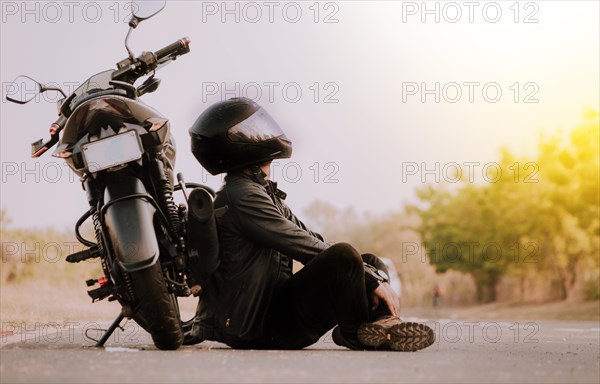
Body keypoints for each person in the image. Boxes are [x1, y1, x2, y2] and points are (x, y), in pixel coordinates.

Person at [184, 97, 435, 351]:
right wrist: (373, 280)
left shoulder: (259, 191)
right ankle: (356, 332)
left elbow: (309, 236)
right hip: (256, 328)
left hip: (271, 312)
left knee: (367, 261)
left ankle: (384, 324)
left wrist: (368, 272)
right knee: (348, 258)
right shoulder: (241, 196)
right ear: (240, 144)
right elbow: (300, 245)